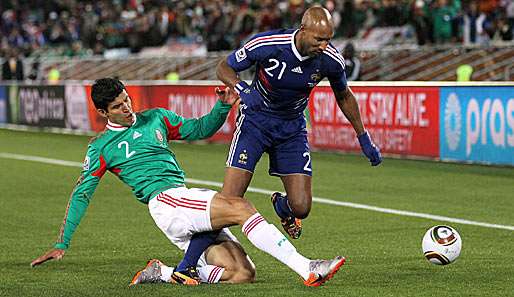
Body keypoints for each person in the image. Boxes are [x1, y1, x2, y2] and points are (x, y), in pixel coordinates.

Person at [30, 78, 346, 287]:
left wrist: (222, 107)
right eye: (117, 107)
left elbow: (198, 129)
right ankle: (307, 267)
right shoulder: (101, 147)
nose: (127, 108)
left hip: (180, 201)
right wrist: (61, 243)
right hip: (165, 202)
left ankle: (164, 272)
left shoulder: (155, 117)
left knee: (242, 273)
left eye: (127, 100)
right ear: (102, 112)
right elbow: (82, 193)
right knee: (238, 205)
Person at [216, 6, 381, 240]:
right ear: (303, 30)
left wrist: (363, 136)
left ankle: (282, 208)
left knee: (302, 207)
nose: (324, 46)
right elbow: (224, 66)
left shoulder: (330, 60)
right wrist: (242, 88)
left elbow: (344, 95)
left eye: (328, 40)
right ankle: (194, 257)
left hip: (291, 128)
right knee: (230, 199)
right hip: (256, 122)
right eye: (319, 39)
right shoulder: (267, 44)